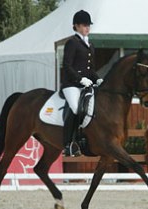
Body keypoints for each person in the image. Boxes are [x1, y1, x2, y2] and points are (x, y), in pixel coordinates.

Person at [61, 10, 103, 156]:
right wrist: (80, 79)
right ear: (76, 26)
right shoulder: (72, 43)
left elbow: (90, 69)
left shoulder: (90, 45)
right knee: (76, 108)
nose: (87, 28)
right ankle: (68, 144)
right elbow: (67, 66)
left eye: (88, 25)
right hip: (71, 85)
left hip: (86, 84)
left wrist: (97, 78)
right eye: (84, 25)